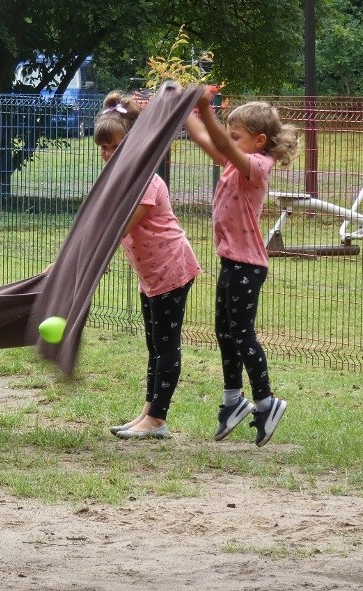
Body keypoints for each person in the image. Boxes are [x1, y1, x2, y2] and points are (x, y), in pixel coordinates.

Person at [184, 87, 299, 447]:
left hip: (247, 265)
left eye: (236, 135)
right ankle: (233, 401)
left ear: (258, 141)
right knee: (224, 332)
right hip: (231, 261)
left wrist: (207, 108)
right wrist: (182, 107)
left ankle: (266, 401)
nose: (229, 141)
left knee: (242, 333)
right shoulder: (235, 160)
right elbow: (206, 137)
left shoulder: (257, 166)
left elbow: (221, 141)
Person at [95, 91, 201, 440]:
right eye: (104, 148)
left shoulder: (147, 183)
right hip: (150, 275)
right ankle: (147, 413)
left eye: (115, 146)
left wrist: (97, 256)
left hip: (171, 269)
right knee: (154, 345)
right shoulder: (121, 181)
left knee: (166, 344)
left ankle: (157, 419)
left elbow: (119, 226)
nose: (108, 154)